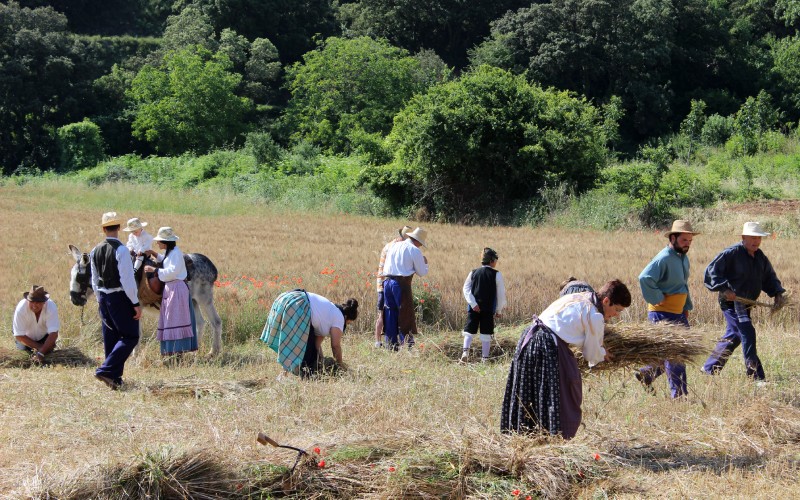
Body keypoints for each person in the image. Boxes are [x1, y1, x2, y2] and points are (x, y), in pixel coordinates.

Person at [500, 279, 631, 439]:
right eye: (616, 310)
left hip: (530, 338)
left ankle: (525, 435)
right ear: (606, 301)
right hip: (548, 346)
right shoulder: (595, 316)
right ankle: (552, 436)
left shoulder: (580, 296)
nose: (616, 315)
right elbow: (591, 354)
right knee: (564, 390)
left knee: (530, 389)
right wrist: (603, 353)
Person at [701, 222, 785, 381]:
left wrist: (778, 293)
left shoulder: (760, 256)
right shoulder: (731, 253)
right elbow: (711, 272)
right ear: (743, 237)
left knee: (735, 335)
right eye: (752, 237)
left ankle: (710, 368)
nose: (756, 241)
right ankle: (756, 376)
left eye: (758, 238)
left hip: (747, 303)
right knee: (747, 332)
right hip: (732, 302)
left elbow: (769, 277)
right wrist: (724, 289)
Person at [635, 220, 699, 398]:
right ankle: (679, 395)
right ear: (673, 237)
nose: (687, 244)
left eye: (690, 240)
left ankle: (647, 374)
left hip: (677, 313)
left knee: (682, 351)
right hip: (662, 313)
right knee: (674, 354)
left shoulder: (682, 258)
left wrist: (685, 307)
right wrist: (658, 298)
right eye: (684, 240)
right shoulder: (663, 258)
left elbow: (682, 285)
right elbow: (645, 278)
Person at [91, 212, 142, 390]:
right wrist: (135, 303)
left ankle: (115, 378)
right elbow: (127, 281)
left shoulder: (94, 250)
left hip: (103, 297)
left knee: (110, 337)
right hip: (119, 296)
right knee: (130, 336)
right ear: (119, 228)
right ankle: (106, 370)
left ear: (104, 229)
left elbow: (94, 279)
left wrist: (100, 300)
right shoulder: (121, 250)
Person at [261, 290, 359, 377]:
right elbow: (335, 346)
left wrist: (321, 361)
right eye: (348, 323)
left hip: (288, 298)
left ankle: (284, 375)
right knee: (300, 349)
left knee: (295, 345)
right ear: (346, 318)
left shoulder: (328, 313)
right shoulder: (339, 318)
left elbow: (316, 346)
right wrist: (340, 365)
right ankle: (284, 375)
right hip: (299, 304)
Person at [143, 227, 197, 356]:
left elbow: (172, 271)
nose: (157, 243)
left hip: (176, 289)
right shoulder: (171, 252)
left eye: (159, 241)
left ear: (165, 242)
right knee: (172, 319)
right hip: (172, 289)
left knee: (175, 320)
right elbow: (167, 262)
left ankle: (177, 352)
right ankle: (172, 351)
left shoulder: (176, 253)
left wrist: (154, 270)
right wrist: (155, 254)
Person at [382, 227, 429, 350]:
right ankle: (407, 345)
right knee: (405, 314)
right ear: (418, 241)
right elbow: (422, 272)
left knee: (390, 313)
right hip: (401, 284)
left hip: (387, 282)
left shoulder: (394, 246)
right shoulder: (414, 250)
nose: (420, 246)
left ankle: (390, 345)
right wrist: (425, 263)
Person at [460, 247, 507, 363]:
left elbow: (466, 289)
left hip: (473, 309)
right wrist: (498, 311)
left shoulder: (473, 272)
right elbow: (501, 295)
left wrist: (473, 303)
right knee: (486, 333)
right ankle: (484, 359)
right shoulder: (497, 275)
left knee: (469, 330)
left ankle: (465, 352)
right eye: (496, 260)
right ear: (492, 261)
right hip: (488, 309)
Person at [374, 226, 412, 348]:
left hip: (384, 283)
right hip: (389, 283)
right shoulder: (396, 246)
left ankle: (388, 343)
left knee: (388, 313)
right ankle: (402, 342)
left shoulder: (390, 245)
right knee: (392, 313)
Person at [12, 285, 59, 364]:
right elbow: (19, 335)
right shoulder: (21, 309)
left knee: (49, 351)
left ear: (44, 302)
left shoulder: (51, 307)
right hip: (25, 339)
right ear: (28, 300)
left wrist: (41, 352)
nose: (34, 305)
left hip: (44, 337)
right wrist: (41, 349)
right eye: (32, 302)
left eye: (37, 302)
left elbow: (54, 333)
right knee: (23, 354)